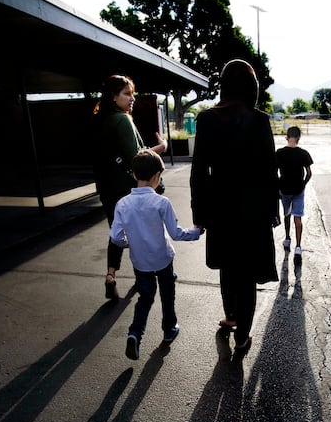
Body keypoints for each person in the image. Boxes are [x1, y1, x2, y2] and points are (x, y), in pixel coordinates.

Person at [190, 58, 280, 353]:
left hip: (220, 207)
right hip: (253, 210)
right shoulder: (259, 120)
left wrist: (199, 213)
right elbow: (269, 171)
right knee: (248, 274)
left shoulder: (206, 119)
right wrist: (272, 212)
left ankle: (230, 316)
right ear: (251, 87)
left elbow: (199, 171)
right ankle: (243, 335)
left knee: (228, 267)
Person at [111, 149, 203, 360]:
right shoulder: (162, 203)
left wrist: (130, 243)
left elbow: (116, 237)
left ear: (134, 174)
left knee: (145, 298)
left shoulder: (122, 204)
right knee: (167, 295)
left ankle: (135, 334)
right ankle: (169, 329)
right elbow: (176, 233)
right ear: (156, 176)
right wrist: (197, 232)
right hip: (162, 260)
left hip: (140, 262)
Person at [92, 74, 167, 302]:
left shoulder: (99, 121)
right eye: (127, 94)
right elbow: (137, 158)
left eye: (132, 94)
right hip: (127, 189)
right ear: (114, 97)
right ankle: (141, 278)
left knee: (116, 232)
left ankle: (111, 275)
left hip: (107, 188)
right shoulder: (122, 120)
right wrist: (161, 147)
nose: (131, 99)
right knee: (135, 234)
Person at [276, 125, 313, 265]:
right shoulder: (304, 153)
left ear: (287, 137)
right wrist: (303, 184)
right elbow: (309, 173)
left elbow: (274, 172)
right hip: (298, 190)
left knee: (287, 214)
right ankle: (298, 246)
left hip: (284, 189)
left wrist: (277, 187)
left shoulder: (279, 153)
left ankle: (287, 238)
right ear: (298, 138)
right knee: (298, 218)